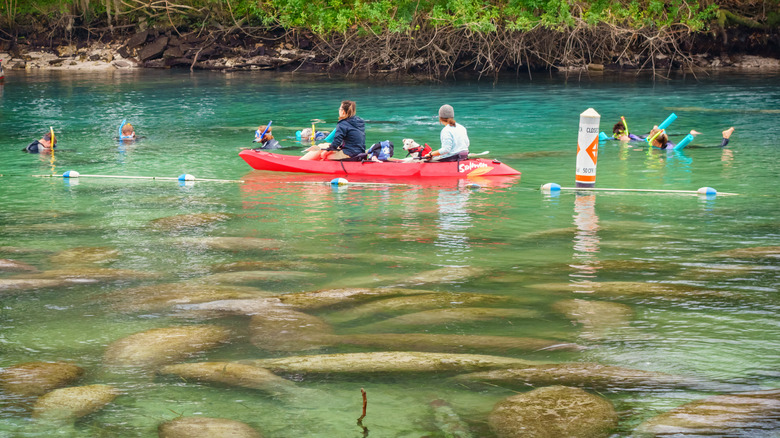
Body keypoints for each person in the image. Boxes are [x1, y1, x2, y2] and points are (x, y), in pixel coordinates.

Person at [300, 100, 365, 161]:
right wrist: (328, 149)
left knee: (325, 155)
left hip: (350, 155)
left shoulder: (342, 123)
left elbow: (337, 141)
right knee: (323, 145)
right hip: (360, 153)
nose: (338, 110)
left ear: (343, 111)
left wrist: (327, 152)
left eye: (339, 109)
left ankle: (301, 163)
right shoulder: (359, 122)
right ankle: (304, 160)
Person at [648, 127, 734, 150]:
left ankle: (725, 137)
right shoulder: (663, 144)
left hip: (681, 148)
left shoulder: (667, 149)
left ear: (654, 141)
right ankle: (691, 133)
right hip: (679, 146)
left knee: (720, 147)